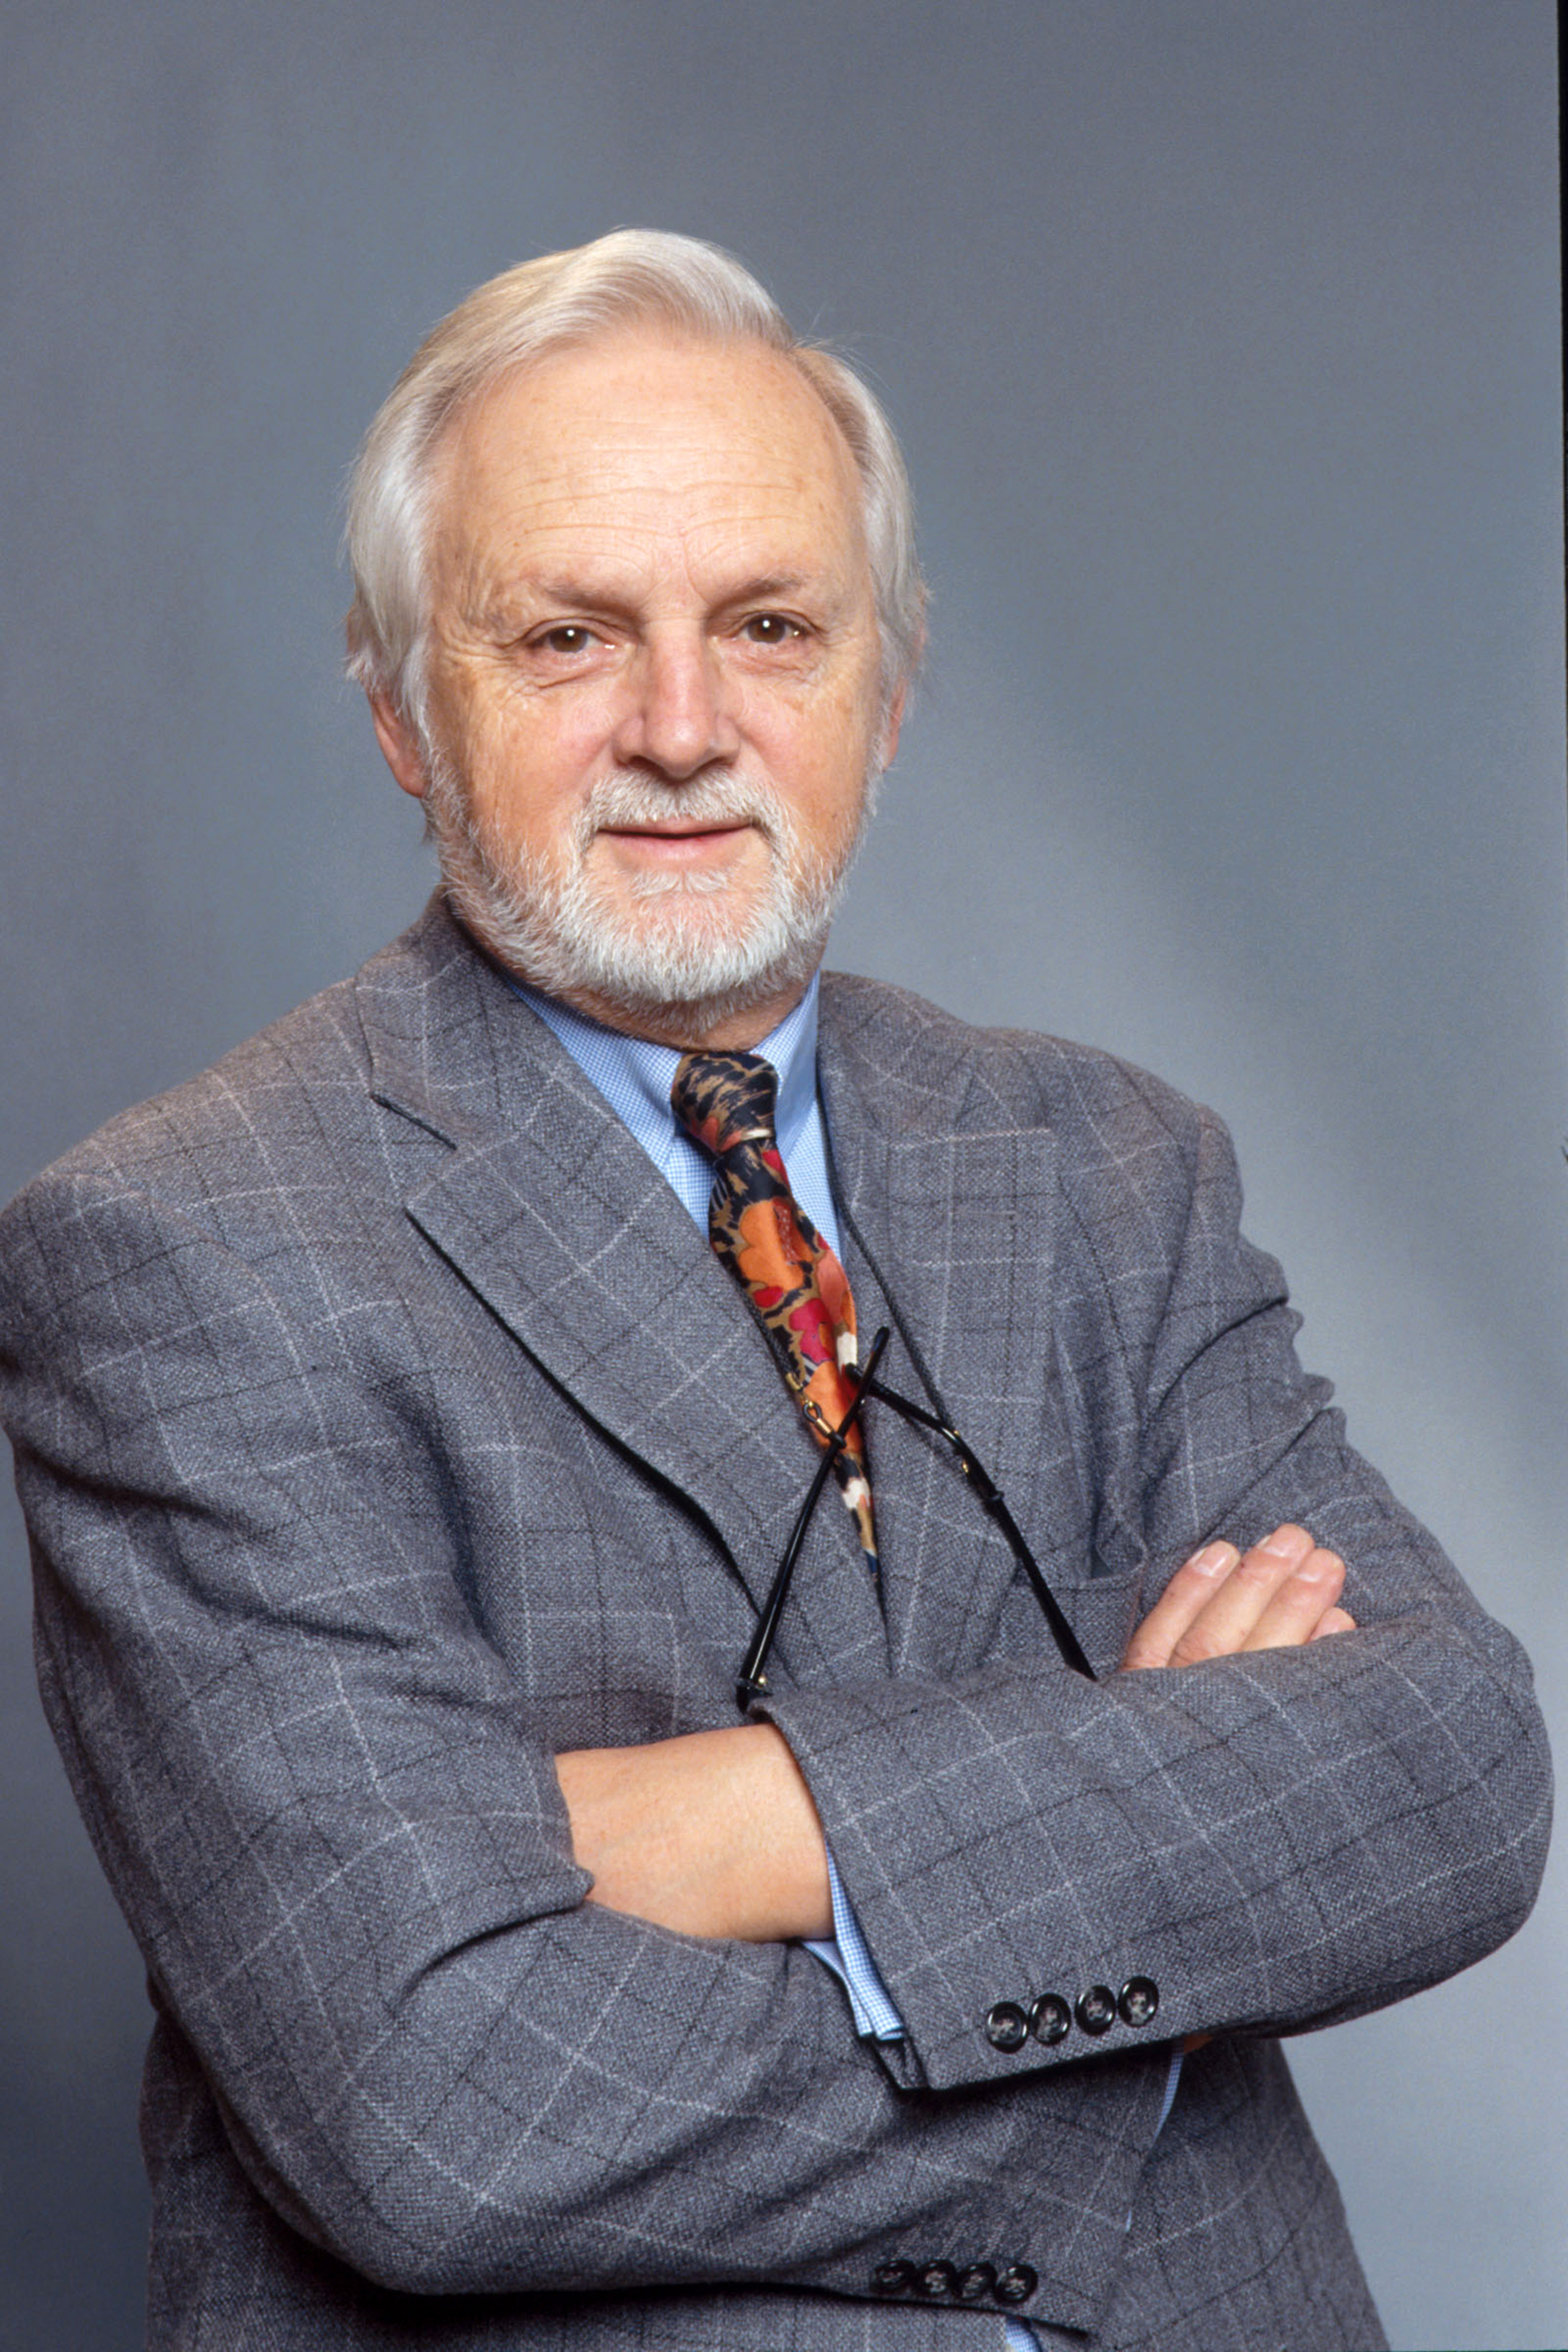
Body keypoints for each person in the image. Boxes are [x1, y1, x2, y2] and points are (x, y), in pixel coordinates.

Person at [0, 230, 1549, 2352]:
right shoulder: (183, 1245)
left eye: (769, 626)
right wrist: (1147, 1896)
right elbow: (432, 2096)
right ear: (401, 715)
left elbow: (1448, 1776)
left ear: (882, 696)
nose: (680, 727)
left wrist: (749, 1817)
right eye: (566, 636)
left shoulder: (1107, 1164)